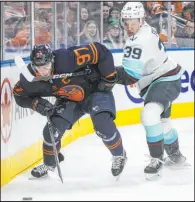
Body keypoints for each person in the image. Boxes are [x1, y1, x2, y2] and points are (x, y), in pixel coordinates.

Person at [13, 43, 127, 179]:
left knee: (103, 125)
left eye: (46, 66)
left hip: (95, 91)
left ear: (52, 60)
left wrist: (108, 77)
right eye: (39, 67)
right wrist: (39, 105)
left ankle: (119, 155)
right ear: (32, 65)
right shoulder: (29, 79)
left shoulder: (66, 58)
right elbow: (19, 95)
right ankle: (50, 164)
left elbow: (100, 50)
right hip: (68, 99)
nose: (43, 72)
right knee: (51, 131)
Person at [118, 2, 189, 180]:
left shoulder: (139, 40)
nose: (129, 27)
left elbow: (130, 76)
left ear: (141, 20)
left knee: (149, 114)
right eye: (126, 22)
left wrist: (103, 73)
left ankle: (157, 159)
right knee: (163, 122)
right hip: (163, 77)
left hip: (164, 79)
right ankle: (176, 156)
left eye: (133, 22)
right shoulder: (145, 29)